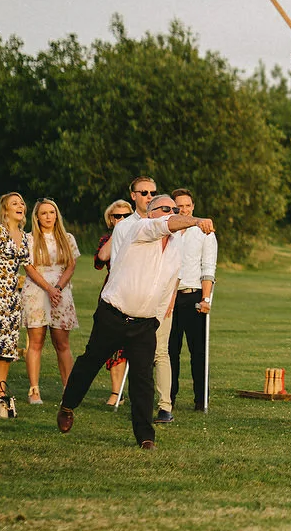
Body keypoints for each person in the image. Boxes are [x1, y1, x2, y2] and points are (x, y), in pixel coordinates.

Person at [57, 185, 213, 448]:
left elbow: (169, 283)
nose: (172, 213)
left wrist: (156, 318)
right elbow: (165, 224)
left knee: (142, 380)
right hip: (113, 313)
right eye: (166, 208)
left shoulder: (176, 246)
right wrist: (197, 221)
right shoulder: (140, 229)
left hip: (144, 322)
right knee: (90, 362)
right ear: (151, 213)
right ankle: (68, 405)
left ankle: (145, 436)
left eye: (175, 209)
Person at [0, 192, 63, 404]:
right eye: (14, 203)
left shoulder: (24, 238)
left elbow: (29, 267)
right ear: (5, 210)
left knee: (8, 345)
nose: (20, 206)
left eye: (22, 203)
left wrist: (50, 287)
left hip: (12, 297)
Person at [157, 187, 217, 420]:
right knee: (169, 350)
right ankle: (168, 398)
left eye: (187, 206)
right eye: (179, 206)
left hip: (193, 295)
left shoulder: (204, 232)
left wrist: (206, 299)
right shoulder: (167, 231)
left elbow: (208, 267)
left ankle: (201, 399)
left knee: (198, 351)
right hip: (168, 297)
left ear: (193, 207)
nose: (184, 210)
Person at [20, 198, 79, 405]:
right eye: (43, 213)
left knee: (62, 343)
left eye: (51, 212)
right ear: (37, 217)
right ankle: (34, 390)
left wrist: (58, 288)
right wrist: (48, 288)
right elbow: (28, 267)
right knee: (36, 342)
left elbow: (71, 265)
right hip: (37, 291)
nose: (48, 216)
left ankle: (68, 390)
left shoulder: (67, 238)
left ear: (57, 215)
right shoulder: (29, 239)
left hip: (61, 292)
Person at [94, 198, 134, 405]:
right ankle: (116, 392)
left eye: (126, 216)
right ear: (110, 219)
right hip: (113, 292)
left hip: (136, 292)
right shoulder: (107, 239)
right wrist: (118, 232)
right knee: (113, 343)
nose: (122, 219)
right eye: (117, 216)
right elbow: (101, 257)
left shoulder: (140, 236)